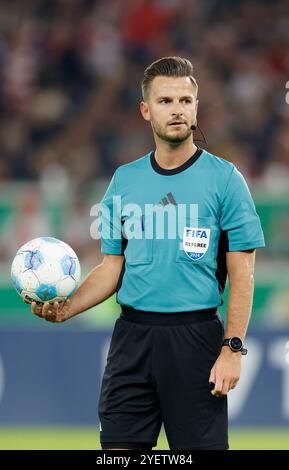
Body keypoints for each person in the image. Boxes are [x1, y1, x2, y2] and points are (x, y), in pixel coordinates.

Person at [31, 57, 265, 450]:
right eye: (166, 101)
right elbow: (111, 267)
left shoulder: (225, 180)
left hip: (196, 340)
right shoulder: (124, 180)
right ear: (145, 110)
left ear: (196, 107)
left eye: (185, 100)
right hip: (132, 341)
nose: (177, 109)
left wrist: (233, 349)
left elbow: (243, 274)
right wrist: (66, 308)